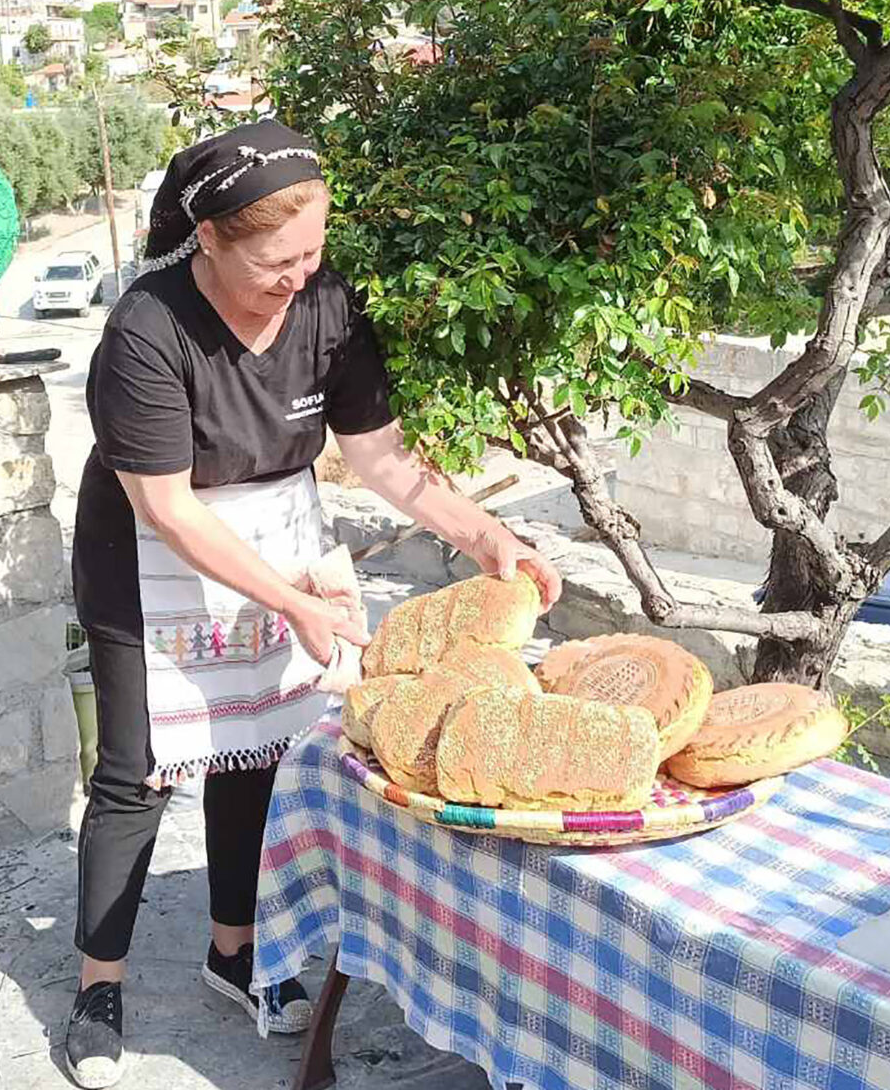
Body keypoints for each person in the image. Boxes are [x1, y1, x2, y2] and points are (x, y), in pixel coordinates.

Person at [64, 121, 562, 1088]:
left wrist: (486, 537)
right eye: (274, 261)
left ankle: (233, 953)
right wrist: (288, 599)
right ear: (207, 240)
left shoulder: (327, 305)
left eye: (313, 251)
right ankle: (98, 982)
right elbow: (164, 506)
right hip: (151, 551)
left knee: (258, 749)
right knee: (139, 771)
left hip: (280, 531)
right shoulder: (146, 331)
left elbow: (379, 456)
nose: (298, 276)